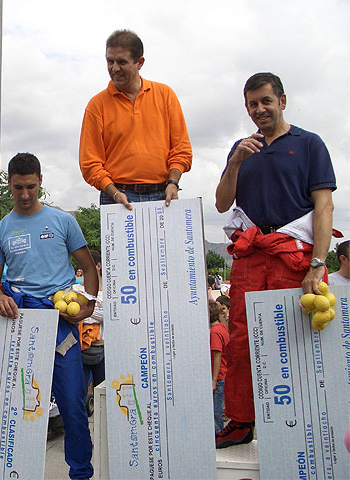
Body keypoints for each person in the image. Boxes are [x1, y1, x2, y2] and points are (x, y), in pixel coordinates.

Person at [214, 72, 336, 448]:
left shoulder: (310, 144)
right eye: (252, 104)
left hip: (292, 254)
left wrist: (318, 262)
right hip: (251, 253)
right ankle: (241, 420)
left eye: (266, 101)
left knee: (297, 336)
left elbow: (324, 204)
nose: (259, 110)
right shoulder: (242, 147)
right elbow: (221, 203)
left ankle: (307, 418)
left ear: (282, 101)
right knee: (241, 338)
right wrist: (234, 163)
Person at [0, 153, 99, 480]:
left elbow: (89, 268)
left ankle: (81, 473)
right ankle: (16, 470)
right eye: (18, 187)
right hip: (21, 323)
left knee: (73, 407)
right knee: (21, 404)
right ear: (8, 184)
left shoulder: (63, 221)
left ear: (41, 180)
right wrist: (2, 299)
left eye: (31, 187)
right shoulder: (0, 231)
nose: (24, 194)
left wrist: (88, 303)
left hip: (62, 321)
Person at [79, 29, 192, 210]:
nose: (114, 68)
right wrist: (114, 192)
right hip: (116, 196)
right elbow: (90, 163)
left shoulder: (165, 95)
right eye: (110, 61)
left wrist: (173, 182)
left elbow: (182, 149)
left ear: (140, 63)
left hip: (163, 194)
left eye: (122, 62)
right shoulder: (96, 105)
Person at [76, 250, 105, 389]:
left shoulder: (108, 292)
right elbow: (74, 315)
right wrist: (96, 313)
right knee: (80, 393)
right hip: (80, 349)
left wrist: (85, 311)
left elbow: (108, 315)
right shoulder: (75, 289)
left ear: (98, 266)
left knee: (104, 392)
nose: (83, 269)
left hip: (103, 348)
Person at [209, 301, 229, 434]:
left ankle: (218, 434)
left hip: (219, 376)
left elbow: (217, 356)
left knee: (216, 411)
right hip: (223, 375)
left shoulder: (214, 333)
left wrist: (214, 380)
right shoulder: (222, 328)